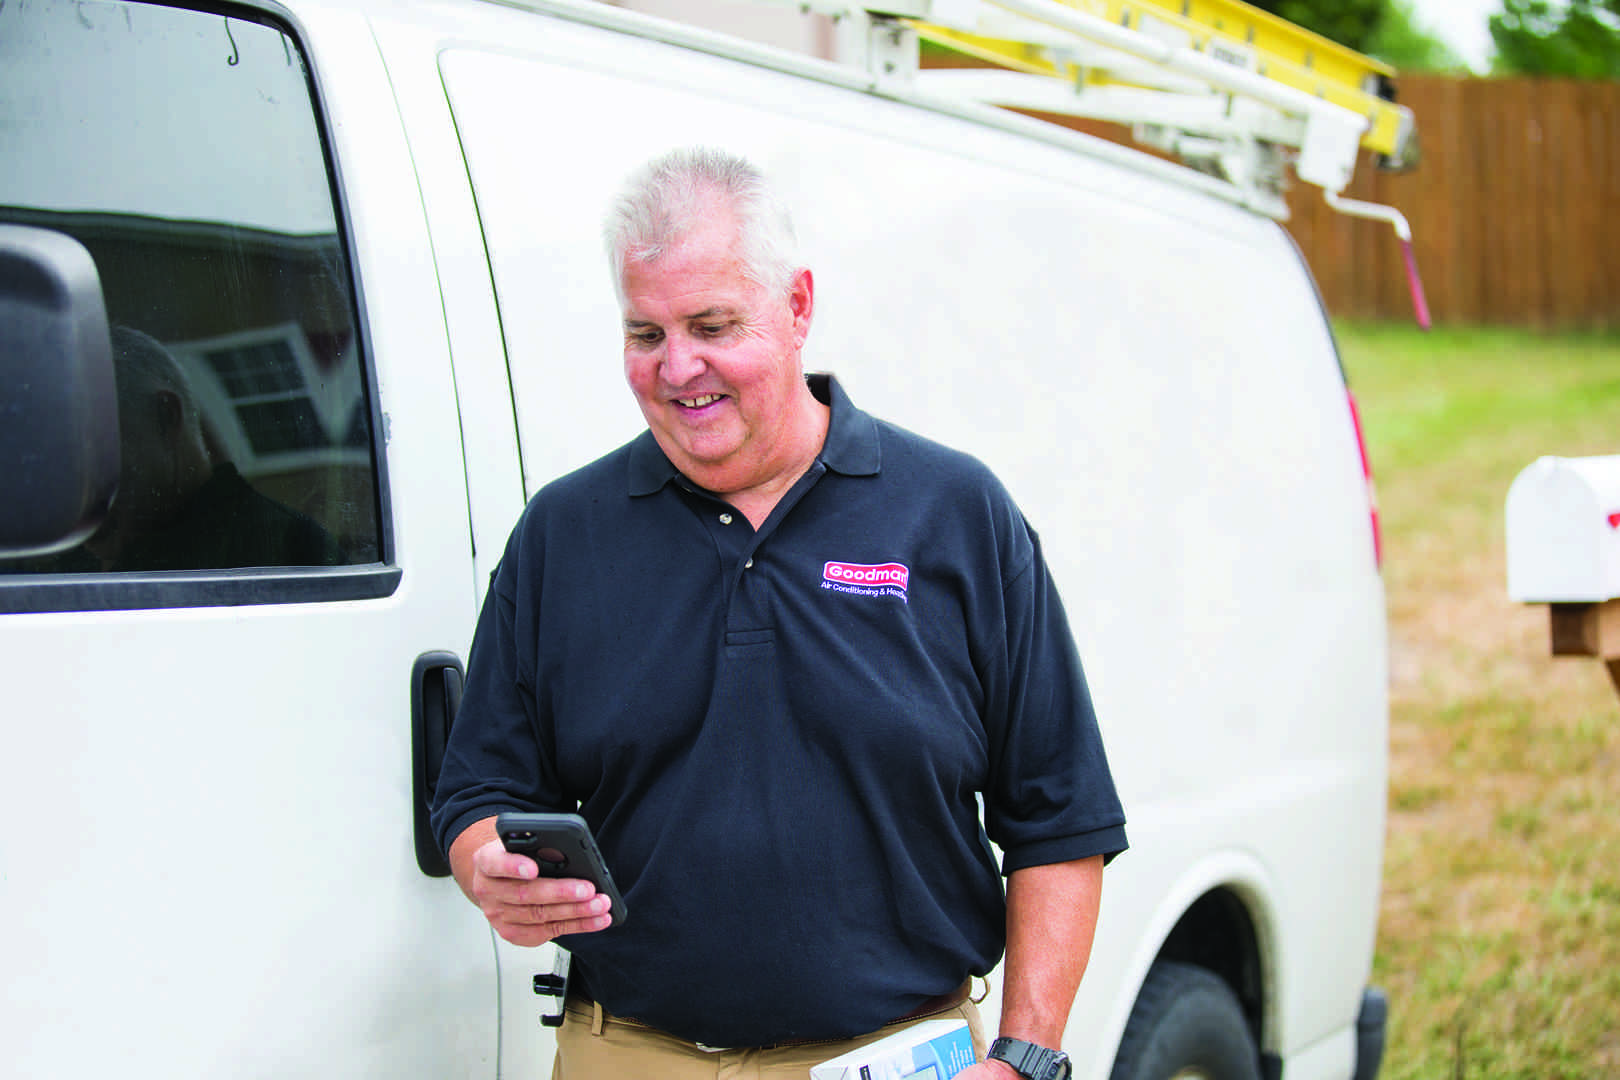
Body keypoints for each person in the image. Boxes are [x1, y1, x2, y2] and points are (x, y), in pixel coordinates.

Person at [431, 147, 1126, 1080]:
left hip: (893, 1057)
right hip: (629, 1056)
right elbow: (477, 791)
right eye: (646, 334)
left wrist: (1027, 1057)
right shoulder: (563, 533)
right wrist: (490, 869)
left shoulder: (954, 514)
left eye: (713, 325)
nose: (679, 368)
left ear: (798, 307)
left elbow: (1060, 817)